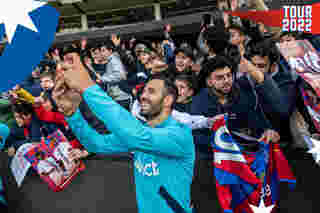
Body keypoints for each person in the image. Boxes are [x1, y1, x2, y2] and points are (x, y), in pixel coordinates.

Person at [52, 52, 195, 213]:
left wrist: (88, 88)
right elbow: (96, 144)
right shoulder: (140, 132)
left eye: (151, 91)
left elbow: (136, 136)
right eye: (144, 91)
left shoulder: (179, 134)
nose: (143, 96)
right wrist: (72, 114)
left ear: (168, 100)